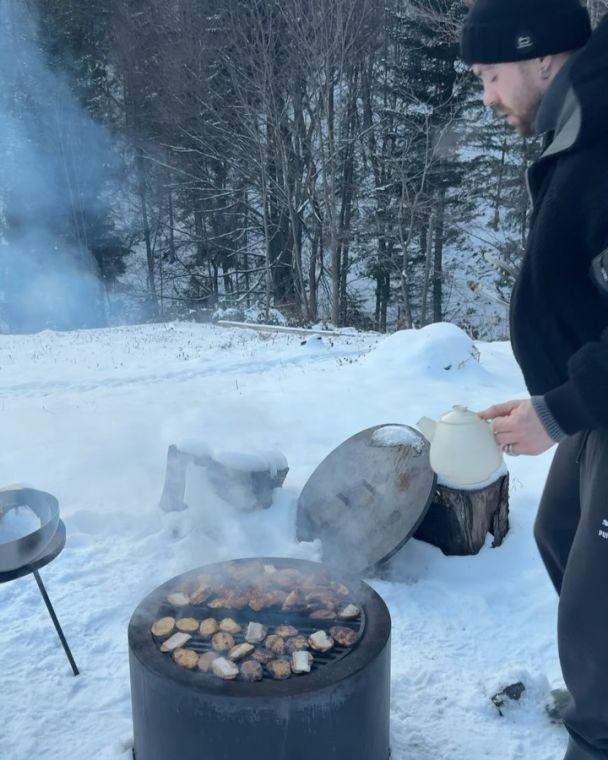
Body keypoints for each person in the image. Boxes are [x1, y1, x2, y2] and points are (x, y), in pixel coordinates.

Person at [460, 1, 608, 758]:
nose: (486, 97)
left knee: (598, 609)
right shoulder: (578, 119)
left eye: (490, 75)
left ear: (542, 56)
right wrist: (556, 400)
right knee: (557, 531)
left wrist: (563, 408)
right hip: (597, 401)